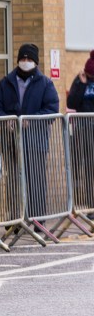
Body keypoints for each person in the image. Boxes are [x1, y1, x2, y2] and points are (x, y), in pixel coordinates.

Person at [0, 43, 59, 220]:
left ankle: (37, 218)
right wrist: (7, 121)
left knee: (35, 180)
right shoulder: (6, 83)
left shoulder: (45, 84)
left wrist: (32, 120)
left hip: (35, 142)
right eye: (23, 58)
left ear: (36, 61)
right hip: (10, 141)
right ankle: (15, 218)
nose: (25, 61)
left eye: (29, 59)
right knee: (13, 181)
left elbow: (51, 109)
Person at [66, 51, 94, 211]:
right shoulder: (81, 79)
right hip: (84, 129)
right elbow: (72, 102)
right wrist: (82, 84)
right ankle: (90, 206)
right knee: (88, 167)